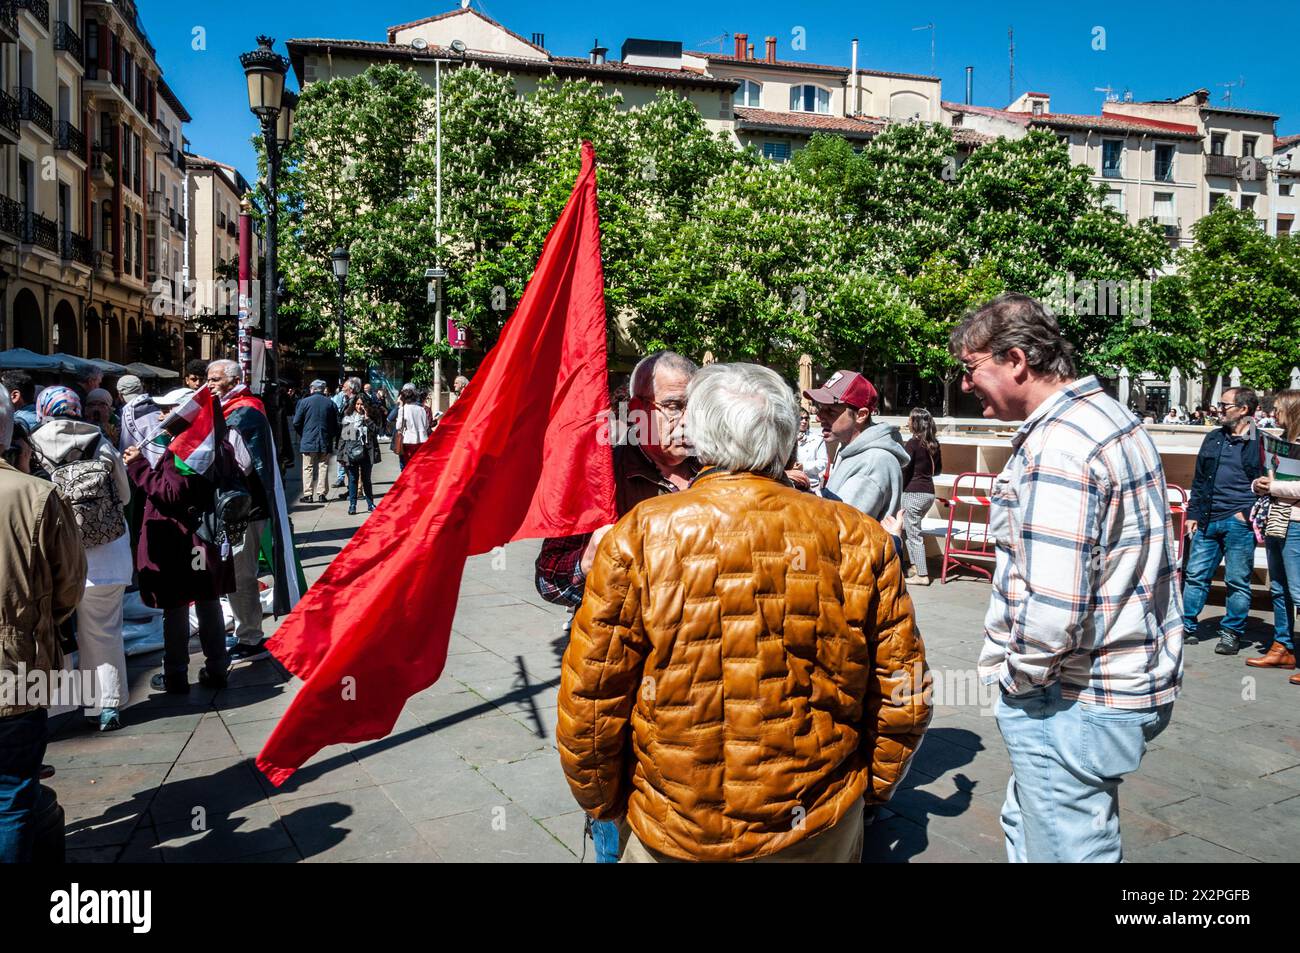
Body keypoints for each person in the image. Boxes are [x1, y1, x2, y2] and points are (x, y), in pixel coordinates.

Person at [557, 362, 931, 863]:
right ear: (785, 437)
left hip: (676, 824)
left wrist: (603, 800)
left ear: (700, 431)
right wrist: (873, 785)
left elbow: (593, 698)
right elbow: (904, 694)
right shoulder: (858, 536)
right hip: (818, 821)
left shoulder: (641, 533)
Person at [952, 293, 1181, 863]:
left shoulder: (1060, 445)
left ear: (1016, 361)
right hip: (1117, 679)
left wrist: (1020, 682)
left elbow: (1054, 605)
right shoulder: (1105, 416)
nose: (964, 385)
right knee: (1040, 823)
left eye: (970, 368)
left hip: (1073, 695)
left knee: (1066, 847)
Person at [537, 349, 700, 863]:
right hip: (624, 684)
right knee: (617, 821)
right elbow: (548, 578)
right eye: (674, 406)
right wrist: (586, 562)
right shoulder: (599, 476)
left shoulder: (720, 468)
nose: (688, 420)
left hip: (701, 681)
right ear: (638, 411)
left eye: (695, 405)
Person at [0, 390, 86, 862]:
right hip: (16, 668)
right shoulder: (35, 494)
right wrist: (40, 625)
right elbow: (70, 585)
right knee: (12, 797)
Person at [29, 386, 132, 732]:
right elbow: (126, 495)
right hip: (106, 556)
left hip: (55, 558)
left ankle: (57, 708)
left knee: (52, 633)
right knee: (103, 632)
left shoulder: (33, 444)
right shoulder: (99, 441)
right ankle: (105, 707)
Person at [123, 392, 237, 693]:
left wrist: (137, 467)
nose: (161, 416)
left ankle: (176, 674)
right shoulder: (217, 442)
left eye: (168, 409)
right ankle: (216, 669)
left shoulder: (187, 449)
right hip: (205, 538)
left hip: (182, 538)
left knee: (176, 605)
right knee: (206, 599)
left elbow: (171, 494)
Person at [1182, 386, 1263, 656]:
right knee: (1195, 575)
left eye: (1225, 405)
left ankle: (1231, 633)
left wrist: (1245, 512)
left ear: (1243, 410)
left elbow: (1268, 482)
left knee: (1237, 580)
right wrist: (1193, 513)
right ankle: (1186, 626)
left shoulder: (1259, 442)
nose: (1219, 409)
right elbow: (1199, 478)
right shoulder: (1214, 438)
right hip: (1207, 518)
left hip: (1239, 521)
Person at [206, 360, 277, 663]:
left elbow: (244, 463)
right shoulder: (233, 408)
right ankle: (244, 630)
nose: (209, 384)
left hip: (245, 508)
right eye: (208, 378)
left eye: (215, 379)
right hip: (240, 505)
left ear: (233, 380)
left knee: (240, 572)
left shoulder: (243, 410)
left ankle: (250, 637)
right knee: (235, 570)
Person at [805, 370, 909, 521]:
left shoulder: (873, 463)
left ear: (861, 415)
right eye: (820, 408)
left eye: (830, 410)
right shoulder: (851, 449)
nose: (819, 416)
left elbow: (840, 528)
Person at [1249, 389, 1300, 682]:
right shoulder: (1284, 442)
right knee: (1279, 588)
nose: (1275, 415)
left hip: (1296, 524)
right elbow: (1272, 477)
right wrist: (1260, 483)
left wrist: (1275, 488)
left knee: (1298, 590)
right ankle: (1282, 646)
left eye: (1280, 410)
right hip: (1278, 519)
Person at [900, 407, 943, 586]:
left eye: (910, 419)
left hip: (913, 493)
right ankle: (916, 567)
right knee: (909, 531)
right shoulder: (934, 444)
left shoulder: (912, 443)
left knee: (913, 534)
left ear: (915, 422)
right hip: (928, 493)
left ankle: (922, 575)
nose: (908, 422)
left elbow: (904, 469)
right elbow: (938, 470)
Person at [292, 380, 340, 504]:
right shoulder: (330, 404)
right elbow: (336, 424)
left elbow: (296, 422)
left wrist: (304, 433)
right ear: (323, 389)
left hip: (308, 440)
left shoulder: (304, 402)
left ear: (312, 389)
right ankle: (321, 494)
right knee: (323, 466)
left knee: (308, 468)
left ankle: (308, 494)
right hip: (325, 439)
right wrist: (331, 435)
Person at [339, 395, 379, 515]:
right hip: (352, 451)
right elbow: (344, 437)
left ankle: (370, 504)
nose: (359, 407)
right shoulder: (349, 418)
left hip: (367, 451)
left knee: (366, 479)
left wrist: (367, 419)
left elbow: (376, 430)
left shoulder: (371, 416)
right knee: (353, 479)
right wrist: (341, 455)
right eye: (357, 404)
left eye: (361, 404)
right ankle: (352, 505)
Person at [394, 384, 430, 472]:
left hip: (408, 441)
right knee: (418, 466)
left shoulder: (403, 409)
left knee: (408, 466)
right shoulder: (421, 409)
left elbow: (398, 426)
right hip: (422, 440)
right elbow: (426, 425)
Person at [794, 405, 830, 492]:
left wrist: (804, 466)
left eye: (806, 419)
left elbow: (823, 462)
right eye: (801, 418)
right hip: (790, 484)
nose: (804, 421)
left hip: (811, 486)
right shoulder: (786, 438)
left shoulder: (817, 439)